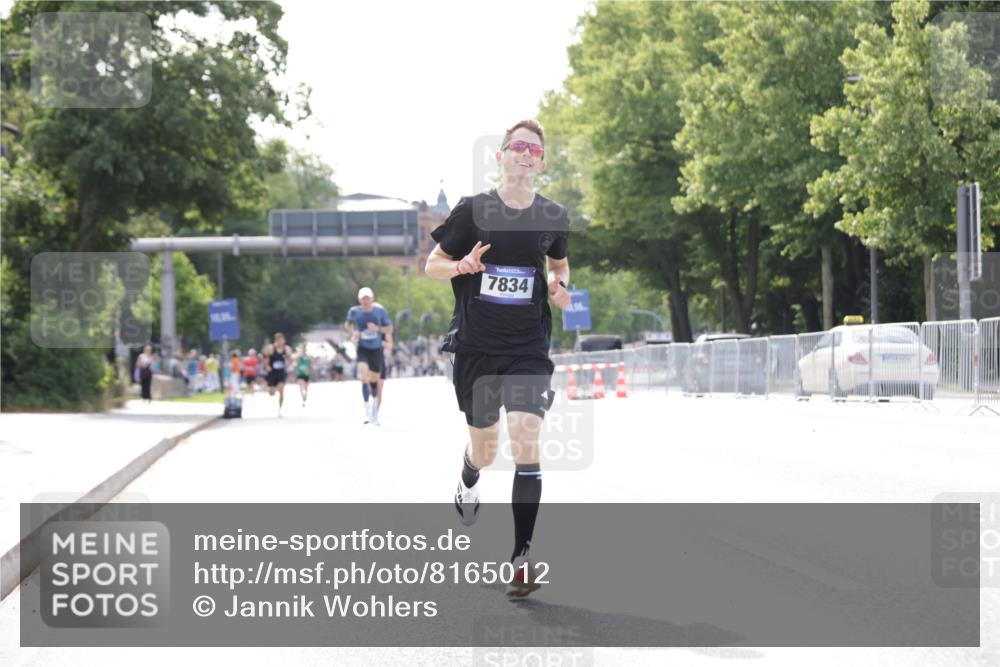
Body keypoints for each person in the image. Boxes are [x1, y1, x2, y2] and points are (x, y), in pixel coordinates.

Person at [425, 119, 570, 598]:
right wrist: (462, 265)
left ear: (542, 162)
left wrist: (559, 285)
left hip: (528, 345)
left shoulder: (552, 215)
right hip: (476, 347)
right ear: (500, 156)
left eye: (535, 149)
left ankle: (522, 559)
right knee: (486, 449)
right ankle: (469, 476)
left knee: (526, 441)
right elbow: (432, 265)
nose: (526, 154)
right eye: (518, 147)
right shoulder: (474, 210)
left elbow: (558, 262)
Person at [344, 287, 393, 425]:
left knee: (374, 382)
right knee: (364, 377)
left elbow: (390, 329)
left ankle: (374, 411)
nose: (365, 301)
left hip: (376, 350)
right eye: (363, 298)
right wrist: (354, 332)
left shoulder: (380, 311)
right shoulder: (354, 311)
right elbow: (347, 324)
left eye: (368, 298)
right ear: (359, 300)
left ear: (372, 299)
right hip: (362, 349)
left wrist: (377, 329)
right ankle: (366, 411)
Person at [263, 334, 292, 416]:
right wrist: (267, 366)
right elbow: (265, 358)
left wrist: (288, 363)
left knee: (281, 390)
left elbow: (290, 359)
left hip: (281, 372)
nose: (280, 342)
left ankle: (280, 409)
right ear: (275, 340)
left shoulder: (287, 349)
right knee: (271, 393)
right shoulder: (271, 348)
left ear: (284, 340)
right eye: (278, 340)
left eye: (281, 340)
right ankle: (273, 388)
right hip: (272, 372)